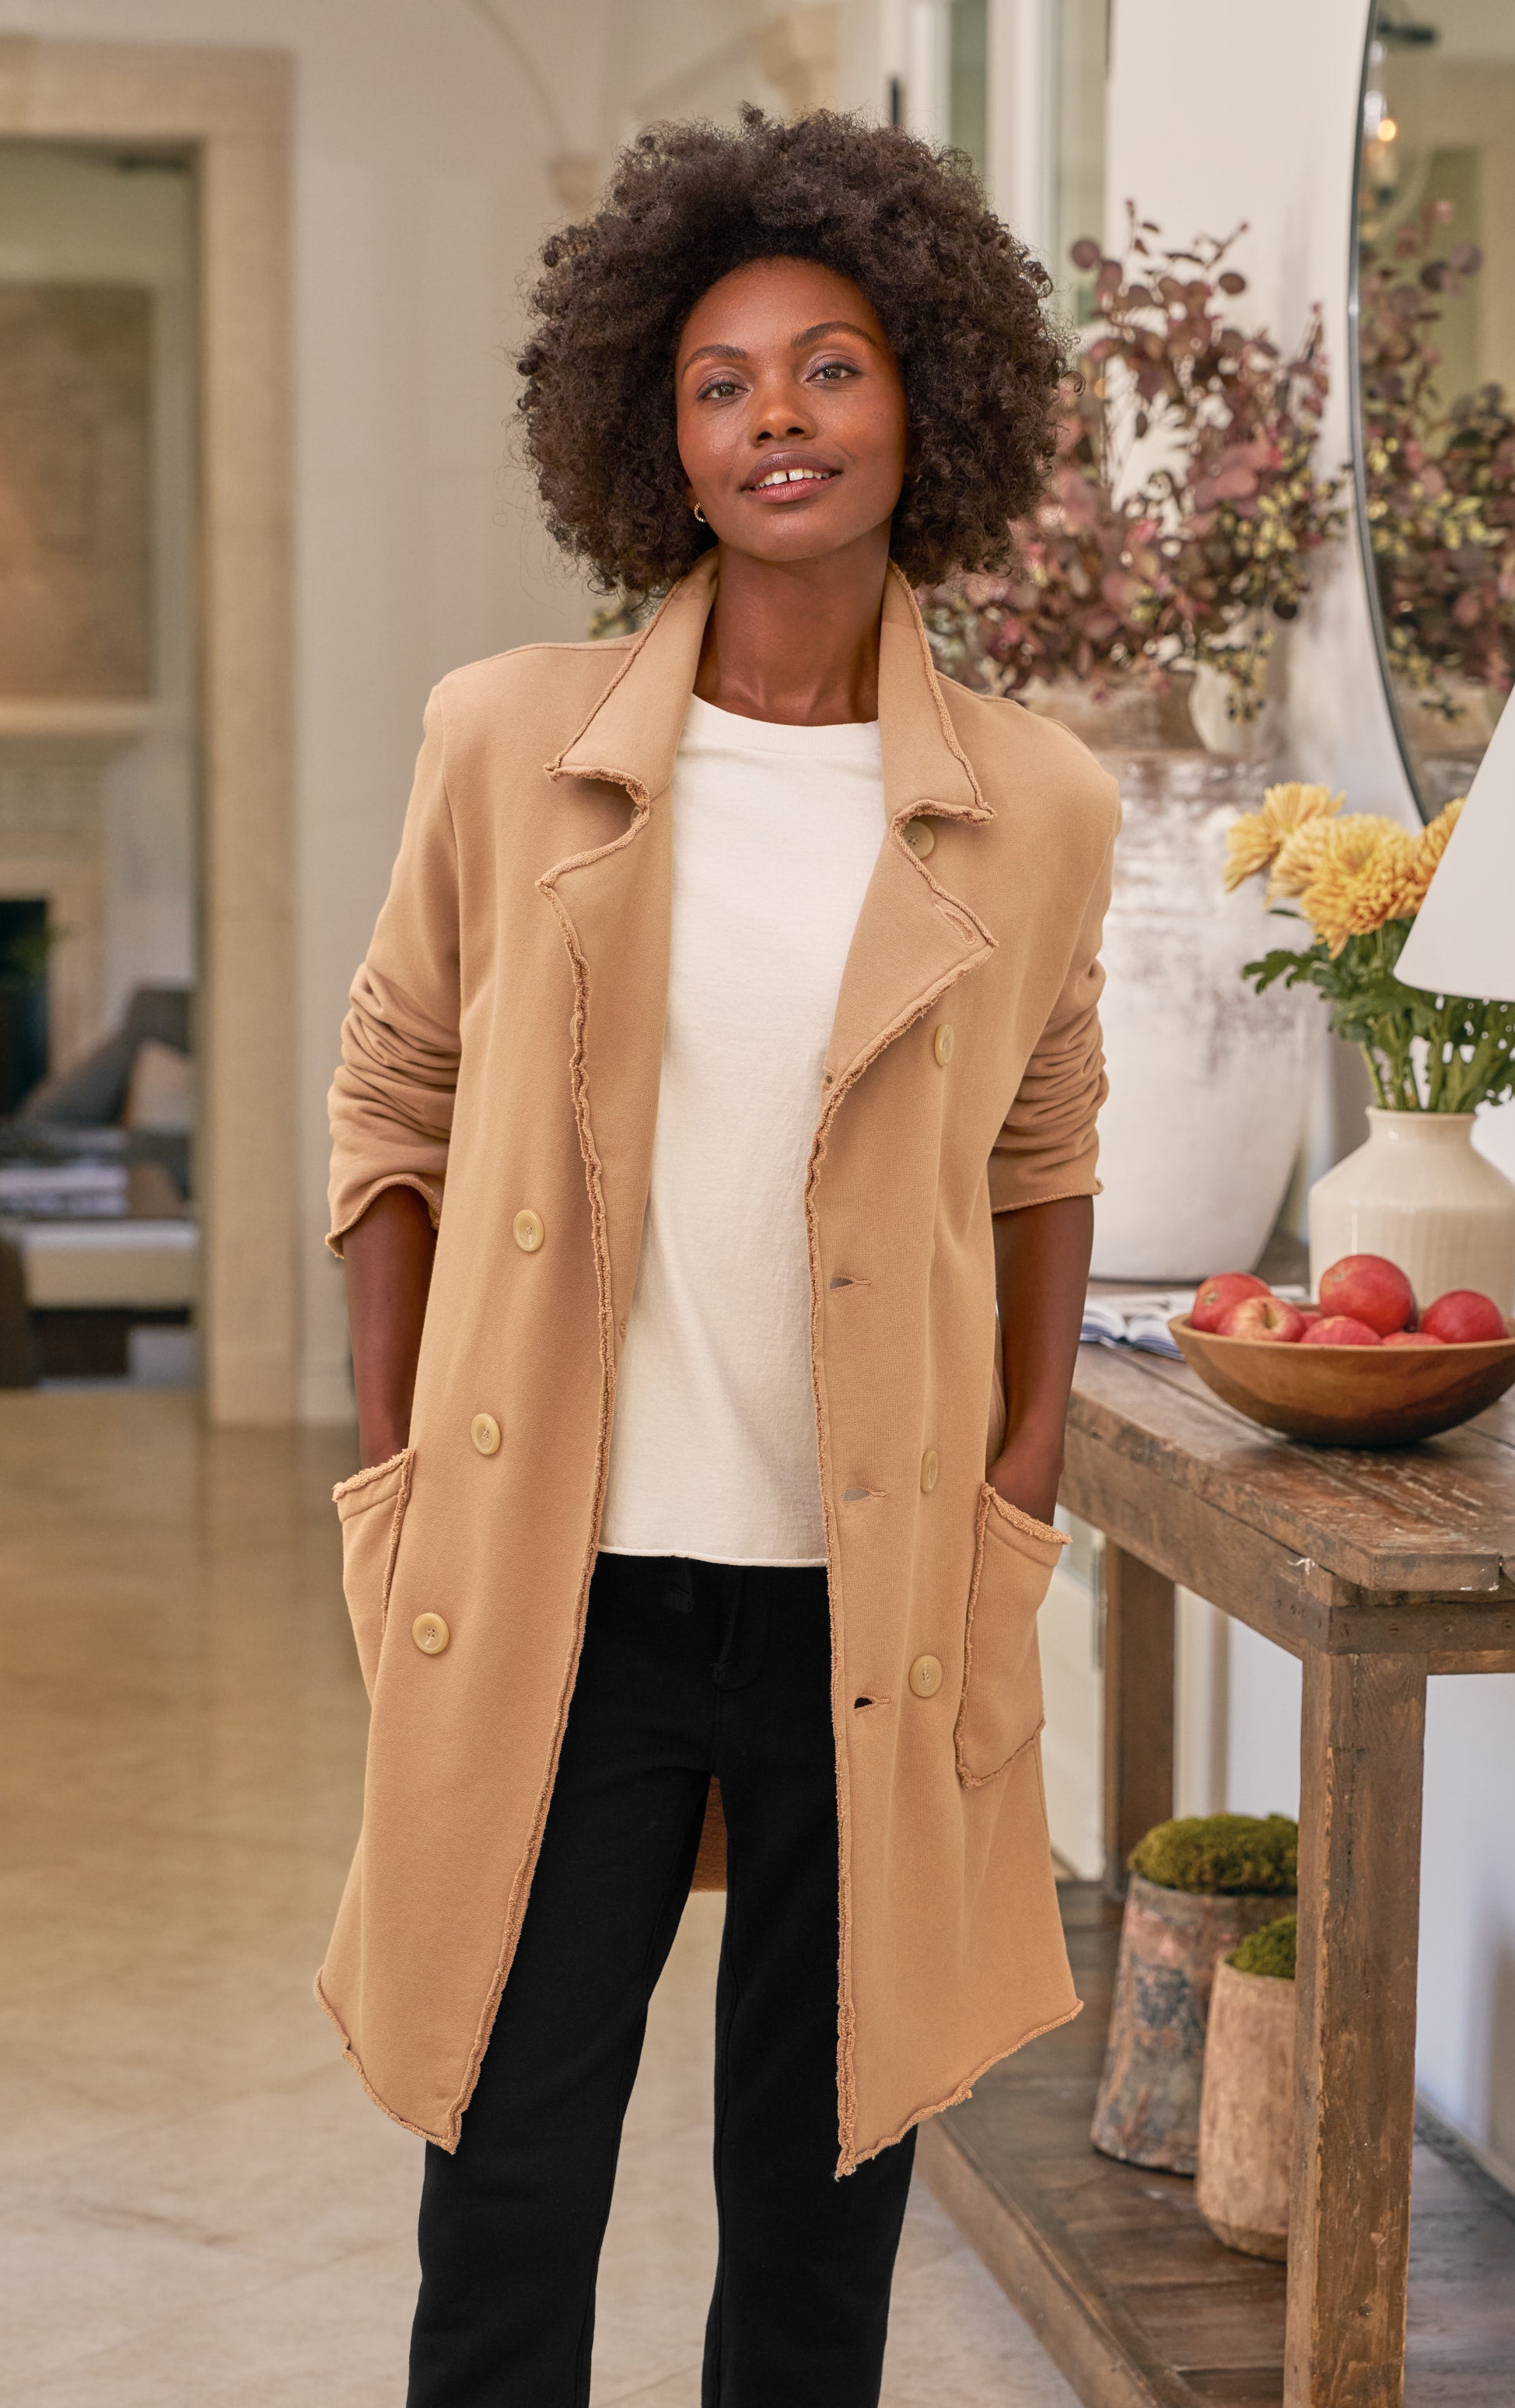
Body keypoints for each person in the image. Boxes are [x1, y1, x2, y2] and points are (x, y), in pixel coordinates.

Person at [321, 105, 1120, 2408]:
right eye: (719, 378)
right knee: (507, 2185)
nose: (777, 413)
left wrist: (1022, 1483)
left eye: (832, 364)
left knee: (818, 2212)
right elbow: (393, 1112)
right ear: (646, 440)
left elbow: (1043, 1151)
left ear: (927, 400)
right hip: (559, 1578)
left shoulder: (1035, 798)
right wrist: (392, 1476)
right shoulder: (509, 740)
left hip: (860, 1592)